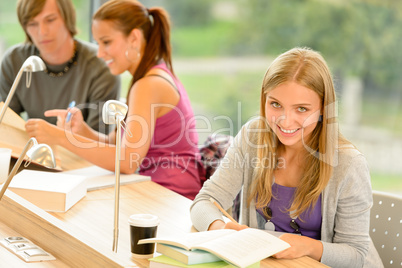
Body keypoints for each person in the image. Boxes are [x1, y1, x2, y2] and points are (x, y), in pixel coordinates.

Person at [190, 47, 384, 268]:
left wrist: (309, 246)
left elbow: (355, 255)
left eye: (301, 109)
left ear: (323, 108)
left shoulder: (349, 164)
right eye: (275, 104)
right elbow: (204, 202)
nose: (285, 121)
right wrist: (221, 228)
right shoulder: (253, 137)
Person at [25, 0, 203, 200]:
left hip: (172, 197)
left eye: (106, 42)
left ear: (134, 38)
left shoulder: (148, 85)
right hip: (158, 192)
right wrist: (82, 131)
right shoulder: (147, 77)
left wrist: (59, 137)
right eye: (98, 43)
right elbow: (117, 144)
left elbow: (128, 161)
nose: (100, 53)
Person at [0, 0, 120, 133]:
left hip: (78, 152)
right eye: (32, 24)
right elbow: (7, 126)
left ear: (67, 18)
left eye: (50, 20)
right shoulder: (15, 61)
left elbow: (99, 142)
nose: (42, 31)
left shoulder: (101, 66)